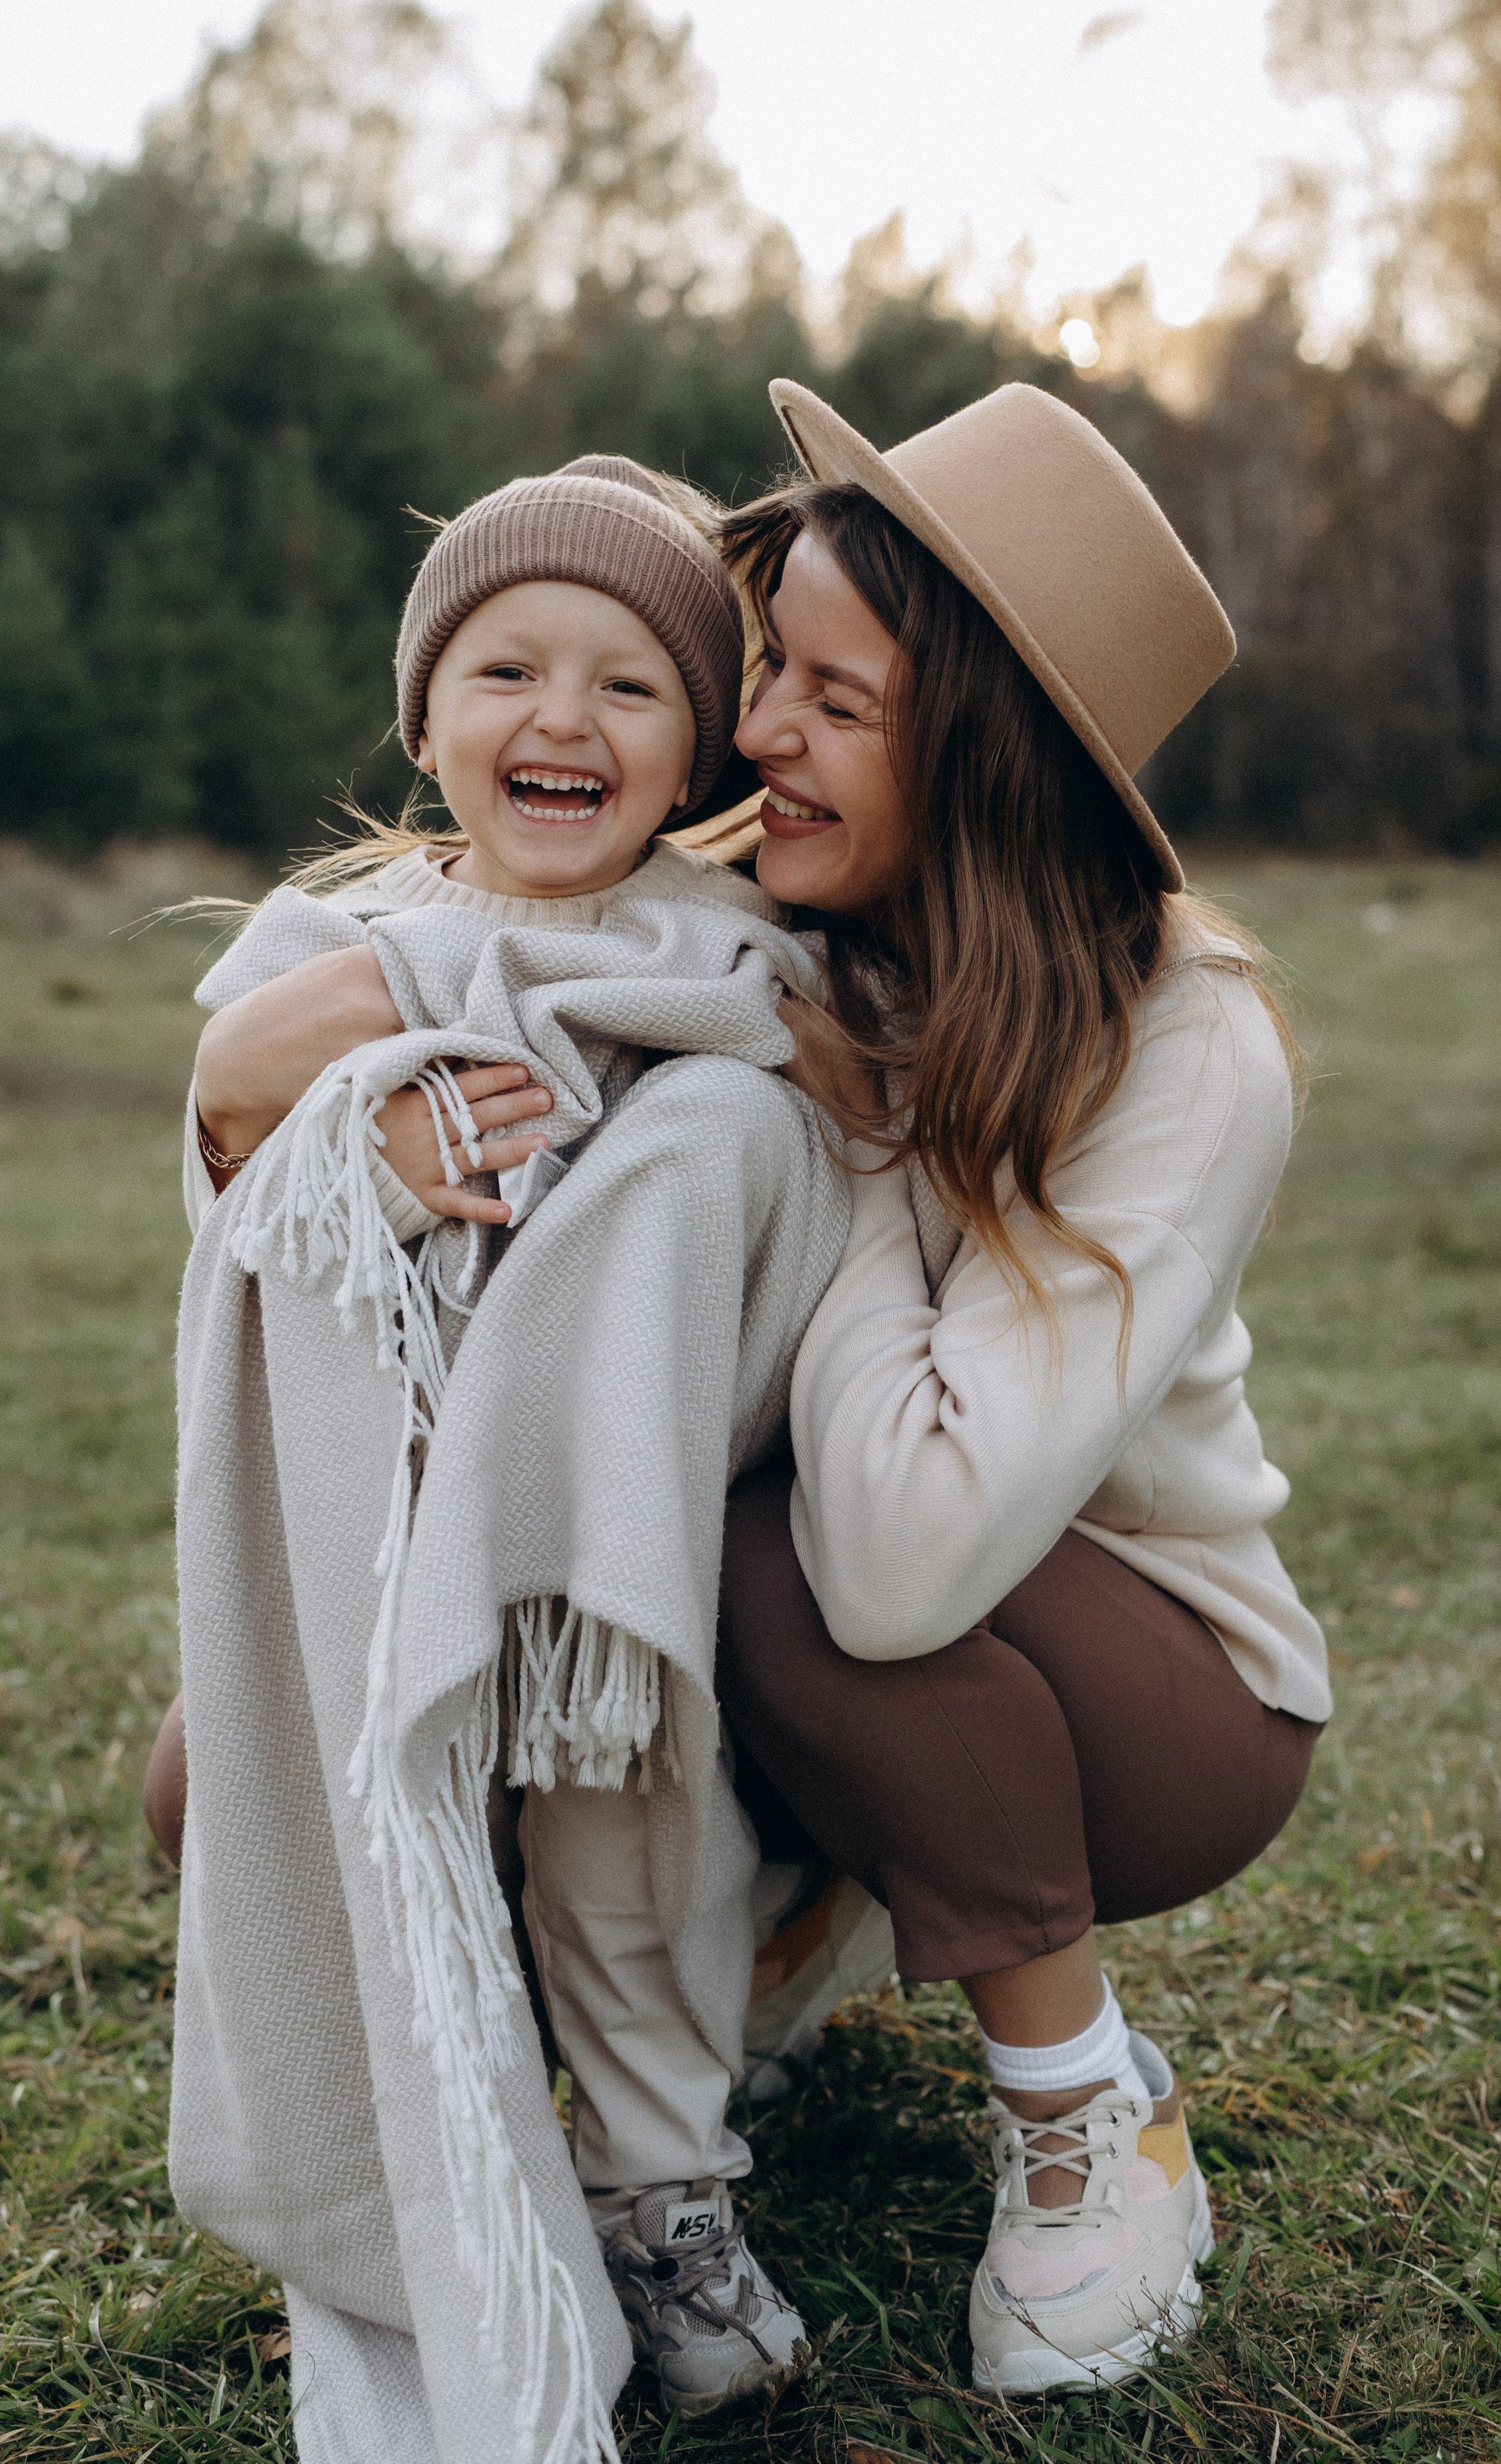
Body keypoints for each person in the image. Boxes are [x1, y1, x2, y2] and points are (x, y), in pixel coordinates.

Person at [162, 456, 841, 2460]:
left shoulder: (724, 954)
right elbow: (228, 1212)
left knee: (635, 1823)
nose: (564, 718)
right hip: (395, 1539)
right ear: (428, 715)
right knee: (260, 1806)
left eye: (632, 686)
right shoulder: (324, 946)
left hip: (619, 1551)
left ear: (699, 737)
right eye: (508, 670)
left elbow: (776, 1193)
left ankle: (663, 2197)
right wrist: (306, 1137)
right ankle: (435, 2158)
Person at [706, 378, 1332, 2398]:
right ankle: (794, 1917)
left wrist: (874, 1121)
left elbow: (902, 1554)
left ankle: (1087, 2108)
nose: (755, 732)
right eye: (763, 667)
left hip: (1159, 1694)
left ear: (979, 751)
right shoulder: (778, 908)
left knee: (794, 1556)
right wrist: (256, 1058)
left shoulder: (1185, 1049)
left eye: (830, 695)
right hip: (872, 1579)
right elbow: (447, 914)